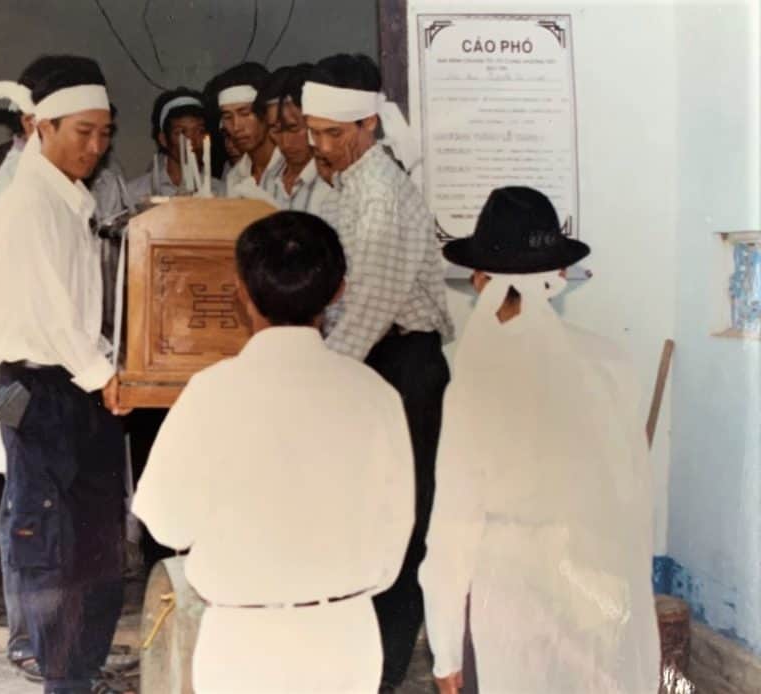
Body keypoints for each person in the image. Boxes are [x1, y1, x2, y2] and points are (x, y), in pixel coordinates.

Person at [133, 211, 414, 693]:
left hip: (241, 640)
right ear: (339, 291)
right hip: (345, 635)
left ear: (241, 291)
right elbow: (398, 525)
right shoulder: (375, 395)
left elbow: (164, 520)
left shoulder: (210, 392)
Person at [419, 186, 661, 694]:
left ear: (480, 279)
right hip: (597, 593)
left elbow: (453, 527)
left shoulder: (468, 371)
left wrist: (444, 648)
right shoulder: (610, 362)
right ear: (557, 279)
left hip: (511, 599)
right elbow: (634, 498)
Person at [0, 55, 132, 694]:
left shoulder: (70, 197)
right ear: (42, 127)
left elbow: (80, 311)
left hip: (75, 382)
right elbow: (53, 310)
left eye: (104, 133)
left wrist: (106, 368)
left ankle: (84, 669)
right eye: (81, 133)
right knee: (51, 541)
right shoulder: (28, 199)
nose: (95, 147)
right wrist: (104, 374)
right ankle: (64, 676)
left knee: (95, 538)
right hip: (36, 388)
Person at [301, 52, 454, 690]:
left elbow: (366, 308)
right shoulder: (340, 185)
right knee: (363, 515)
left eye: (334, 134)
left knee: (401, 522)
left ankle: (385, 670)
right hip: (364, 364)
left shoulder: (383, 195)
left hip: (401, 366)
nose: (321, 146)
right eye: (313, 133)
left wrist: (308, 380)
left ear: (368, 126)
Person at [253, 64, 334, 215]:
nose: (285, 142)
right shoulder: (271, 176)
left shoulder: (332, 179)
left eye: (293, 128)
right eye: (275, 130)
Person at [127, 87, 222, 201]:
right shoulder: (136, 192)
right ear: (163, 140)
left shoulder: (220, 191)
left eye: (199, 131)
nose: (192, 140)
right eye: (181, 132)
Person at [205, 62, 284, 198]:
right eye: (228, 116)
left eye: (245, 113)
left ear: (266, 113)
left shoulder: (291, 167)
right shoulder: (235, 177)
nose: (236, 127)